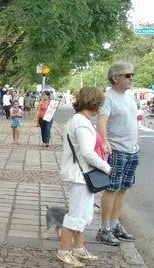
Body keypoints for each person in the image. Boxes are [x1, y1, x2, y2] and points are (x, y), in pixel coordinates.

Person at [57, 86, 110, 267]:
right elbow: (87, 152)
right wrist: (106, 167)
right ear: (94, 103)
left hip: (81, 174)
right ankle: (63, 251)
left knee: (84, 214)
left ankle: (78, 248)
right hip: (79, 175)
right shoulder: (81, 122)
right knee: (76, 216)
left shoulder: (81, 120)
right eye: (100, 104)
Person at [96, 61, 139, 246]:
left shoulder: (130, 96)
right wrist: (105, 142)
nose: (131, 78)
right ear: (115, 78)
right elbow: (102, 122)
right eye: (127, 75)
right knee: (112, 189)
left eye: (132, 75)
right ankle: (104, 229)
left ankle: (115, 225)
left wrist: (137, 142)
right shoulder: (108, 97)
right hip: (116, 150)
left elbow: (134, 121)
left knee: (123, 189)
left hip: (132, 150)